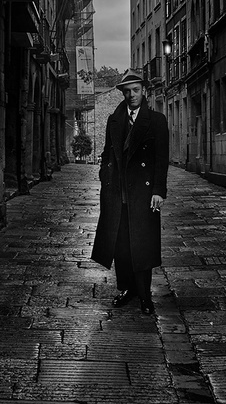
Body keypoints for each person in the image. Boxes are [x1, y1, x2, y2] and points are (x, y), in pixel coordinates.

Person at [90, 69, 169, 315]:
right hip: (117, 192)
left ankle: (145, 295)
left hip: (143, 195)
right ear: (122, 94)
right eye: (127, 91)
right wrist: (105, 177)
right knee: (120, 244)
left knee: (142, 245)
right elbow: (107, 153)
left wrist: (158, 190)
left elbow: (161, 159)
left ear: (143, 91)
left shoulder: (156, 121)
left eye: (136, 90)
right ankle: (126, 289)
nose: (132, 95)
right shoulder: (114, 120)